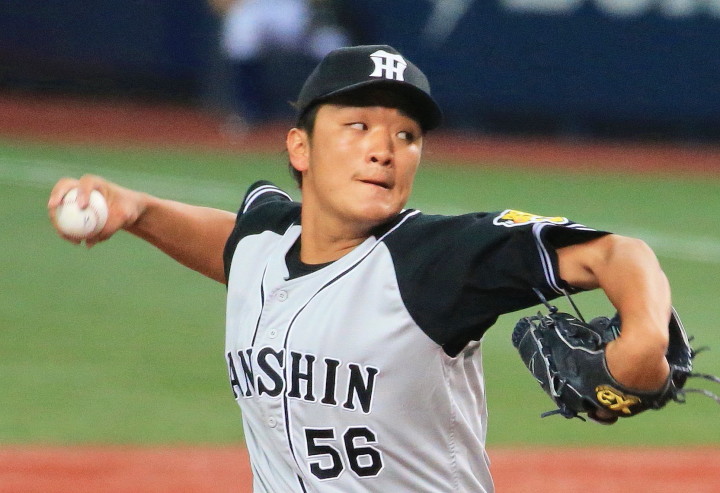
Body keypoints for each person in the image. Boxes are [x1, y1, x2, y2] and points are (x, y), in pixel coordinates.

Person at [48, 45, 672, 492]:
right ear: (300, 146)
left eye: (406, 136)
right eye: (358, 125)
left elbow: (617, 253)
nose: (383, 149)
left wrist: (644, 341)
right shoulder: (264, 238)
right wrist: (139, 211)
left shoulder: (435, 259)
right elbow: (237, 248)